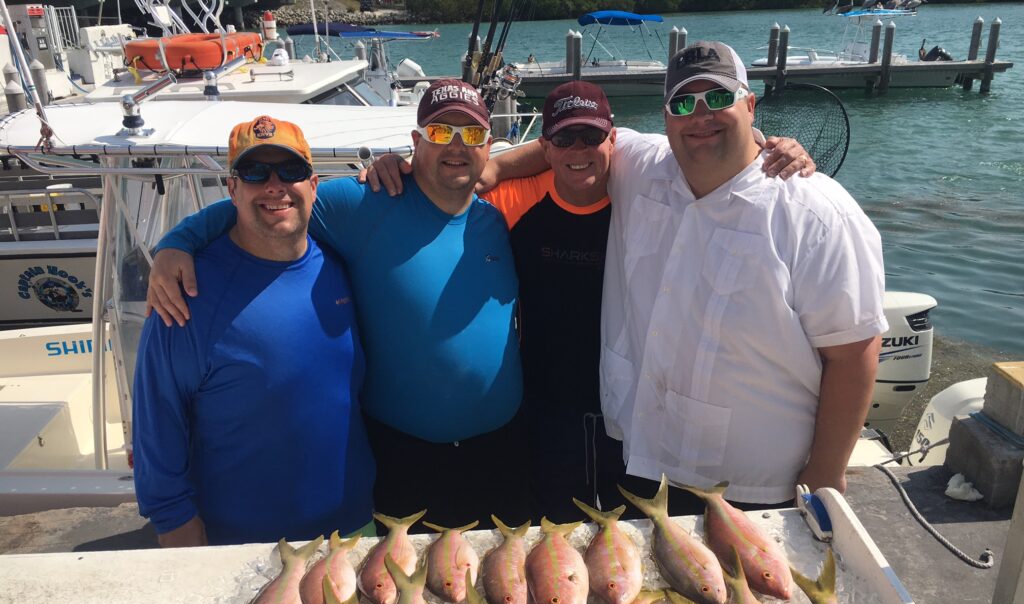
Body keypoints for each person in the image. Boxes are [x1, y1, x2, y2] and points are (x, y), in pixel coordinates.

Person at [362, 80, 816, 519]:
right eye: (564, 138)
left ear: (613, 139)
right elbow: (443, 202)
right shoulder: (512, 200)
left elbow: (711, 158)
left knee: (637, 541)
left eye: (591, 136)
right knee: (556, 542)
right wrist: (398, 168)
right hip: (544, 410)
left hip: (634, 412)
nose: (578, 150)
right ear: (547, 145)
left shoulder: (645, 191)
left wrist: (763, 148)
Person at [145, 81, 527, 528]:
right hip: (406, 456)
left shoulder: (497, 216)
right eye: (441, 133)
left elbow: (570, 158)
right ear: (415, 142)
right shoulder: (365, 202)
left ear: (489, 146)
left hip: (503, 448)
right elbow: (274, 204)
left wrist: (504, 169)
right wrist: (178, 241)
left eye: (472, 135)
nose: (457, 146)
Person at [600, 41, 887, 508]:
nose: (700, 116)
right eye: (683, 103)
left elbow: (855, 350)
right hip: (642, 454)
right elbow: (568, 145)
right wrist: (489, 170)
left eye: (717, 99)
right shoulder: (641, 165)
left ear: (750, 104)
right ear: (665, 115)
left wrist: (825, 477)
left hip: (752, 488)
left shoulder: (817, 212)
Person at [132, 116, 375, 546]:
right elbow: (157, 423)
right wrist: (179, 536)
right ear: (232, 189)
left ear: (314, 184)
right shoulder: (185, 291)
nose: (274, 186)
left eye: (291, 172)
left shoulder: (341, 262)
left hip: (354, 529)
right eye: (255, 173)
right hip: (243, 545)